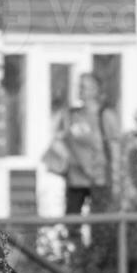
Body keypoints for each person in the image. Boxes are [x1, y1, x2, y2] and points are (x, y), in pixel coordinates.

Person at [56, 72, 120, 215]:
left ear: (95, 90)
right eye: (79, 86)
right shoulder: (71, 115)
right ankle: (73, 238)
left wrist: (116, 180)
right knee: (72, 223)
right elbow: (60, 142)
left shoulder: (105, 115)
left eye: (83, 87)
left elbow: (115, 149)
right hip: (75, 179)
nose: (80, 90)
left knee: (100, 223)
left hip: (99, 179)